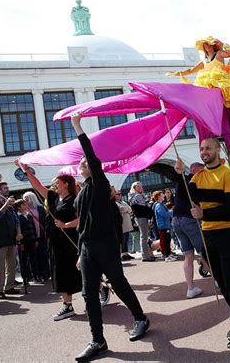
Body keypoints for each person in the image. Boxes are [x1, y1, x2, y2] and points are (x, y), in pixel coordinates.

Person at [70, 113, 150, 361]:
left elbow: (92, 159)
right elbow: (82, 224)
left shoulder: (99, 183)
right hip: (87, 247)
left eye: (86, 163)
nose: (83, 164)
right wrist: (80, 252)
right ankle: (98, 340)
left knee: (118, 283)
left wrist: (77, 127)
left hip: (106, 243)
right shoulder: (82, 192)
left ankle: (140, 318)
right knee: (88, 293)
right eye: (81, 163)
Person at [175, 138, 230, 350]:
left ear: (217, 150)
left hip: (227, 233)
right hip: (207, 236)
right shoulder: (198, 176)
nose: (204, 151)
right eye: (201, 148)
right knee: (222, 282)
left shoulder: (227, 174)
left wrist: (204, 213)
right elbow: (183, 196)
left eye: (208, 148)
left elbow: (229, 208)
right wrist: (180, 175)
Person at [16, 161, 82, 320]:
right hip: (55, 243)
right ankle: (68, 306)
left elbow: (82, 218)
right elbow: (38, 187)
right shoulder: (53, 198)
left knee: (79, 270)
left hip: (71, 241)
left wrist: (66, 225)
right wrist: (26, 171)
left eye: (56, 183)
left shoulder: (75, 199)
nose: (53, 186)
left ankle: (100, 288)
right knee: (60, 273)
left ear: (66, 184)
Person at [168, 36, 230, 108]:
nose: (207, 47)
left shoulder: (219, 54)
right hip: (209, 86)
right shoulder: (204, 61)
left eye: (208, 44)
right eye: (205, 45)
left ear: (213, 45)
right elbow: (191, 70)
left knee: (225, 104)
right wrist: (179, 73)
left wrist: (223, 45)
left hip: (221, 84)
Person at [172, 161, 207, 299]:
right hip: (189, 219)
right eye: (202, 171)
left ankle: (190, 288)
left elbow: (180, 193)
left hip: (176, 220)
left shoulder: (183, 181)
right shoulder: (192, 181)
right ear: (196, 170)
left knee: (188, 256)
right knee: (204, 251)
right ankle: (219, 281)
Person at [23, 191, 51, 281]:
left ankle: (45, 273)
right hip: (31, 236)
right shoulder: (24, 210)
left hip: (41, 234)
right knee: (34, 257)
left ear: (32, 199)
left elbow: (45, 220)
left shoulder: (39, 208)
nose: (25, 200)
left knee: (43, 255)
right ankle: (36, 274)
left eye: (26, 199)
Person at [129, 182, 155, 262]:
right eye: (138, 186)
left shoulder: (135, 196)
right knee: (144, 236)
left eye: (141, 186)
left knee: (144, 236)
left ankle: (147, 254)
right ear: (134, 188)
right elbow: (145, 206)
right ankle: (146, 256)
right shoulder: (138, 196)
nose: (140, 187)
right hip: (142, 217)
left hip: (140, 217)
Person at [15, 199, 39, 283]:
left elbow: (33, 228)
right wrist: (21, 243)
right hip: (24, 242)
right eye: (23, 205)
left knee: (33, 259)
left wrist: (36, 239)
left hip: (32, 240)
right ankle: (25, 278)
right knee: (24, 261)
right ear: (18, 207)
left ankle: (36, 276)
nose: (25, 206)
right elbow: (18, 231)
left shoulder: (29, 215)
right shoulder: (17, 217)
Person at [151, 191, 176, 262]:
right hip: (163, 226)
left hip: (165, 225)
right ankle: (167, 256)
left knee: (167, 240)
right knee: (165, 241)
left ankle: (168, 254)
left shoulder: (160, 204)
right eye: (162, 195)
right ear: (159, 196)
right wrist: (172, 212)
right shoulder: (159, 205)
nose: (164, 195)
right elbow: (164, 214)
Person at [114, 190, 135, 260]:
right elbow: (122, 209)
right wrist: (126, 210)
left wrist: (126, 210)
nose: (120, 195)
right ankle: (122, 254)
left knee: (126, 240)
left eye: (120, 194)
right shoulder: (115, 203)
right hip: (122, 225)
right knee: (122, 240)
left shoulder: (123, 202)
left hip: (127, 223)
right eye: (118, 194)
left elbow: (130, 209)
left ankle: (126, 253)